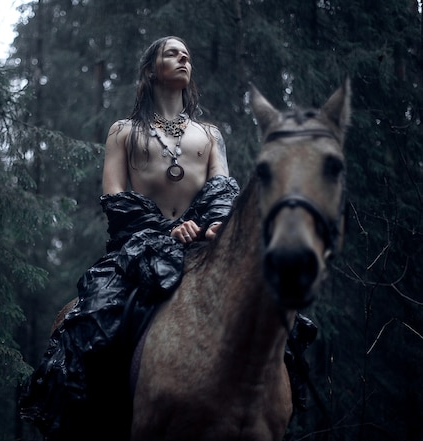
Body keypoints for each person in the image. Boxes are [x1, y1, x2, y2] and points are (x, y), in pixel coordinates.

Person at [18, 36, 312, 440]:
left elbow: (223, 192)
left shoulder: (210, 135)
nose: (184, 57)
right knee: (89, 322)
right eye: (171, 52)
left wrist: (214, 228)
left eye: (187, 53)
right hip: (139, 249)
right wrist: (165, 231)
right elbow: (116, 198)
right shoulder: (123, 132)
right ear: (150, 69)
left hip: (203, 247)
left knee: (278, 321)